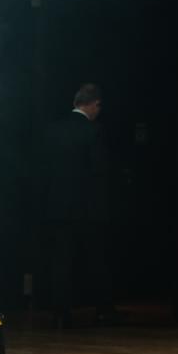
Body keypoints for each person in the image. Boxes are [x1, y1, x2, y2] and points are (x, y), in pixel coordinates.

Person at [39, 83, 114, 325]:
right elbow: (99, 171)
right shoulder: (94, 131)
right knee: (96, 260)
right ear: (95, 104)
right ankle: (102, 310)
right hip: (88, 209)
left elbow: (44, 170)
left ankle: (60, 312)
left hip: (58, 206)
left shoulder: (53, 131)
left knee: (61, 261)